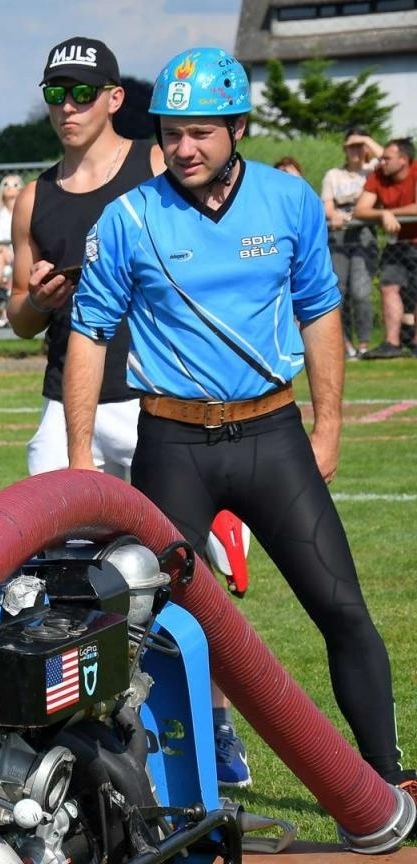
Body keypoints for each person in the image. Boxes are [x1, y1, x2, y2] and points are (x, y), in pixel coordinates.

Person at [64, 46, 416, 798]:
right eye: (170, 131)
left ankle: (385, 778)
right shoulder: (129, 217)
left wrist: (328, 429)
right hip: (172, 447)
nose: (182, 147)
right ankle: (171, 796)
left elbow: (320, 311)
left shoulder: (287, 202)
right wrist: (79, 455)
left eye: (200, 132)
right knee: (163, 632)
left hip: (271, 437)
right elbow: (89, 333)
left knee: (342, 608)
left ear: (238, 128)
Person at [7, 37, 161, 482]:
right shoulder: (34, 197)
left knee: (177, 546)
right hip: (67, 401)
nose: (67, 107)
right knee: (57, 547)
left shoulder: (156, 167)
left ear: (114, 98)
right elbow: (20, 319)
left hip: (154, 396)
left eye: (82, 93)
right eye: (55, 94)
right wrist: (38, 301)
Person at [355, 138, 417, 359]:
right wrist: (383, 213)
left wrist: (393, 212)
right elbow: (360, 210)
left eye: (387, 158)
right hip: (396, 244)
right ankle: (392, 343)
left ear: (404, 160)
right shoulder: (378, 176)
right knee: (388, 287)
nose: (381, 162)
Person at [323, 130, 382, 360]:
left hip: (363, 234)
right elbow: (328, 207)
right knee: (339, 292)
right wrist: (335, 215)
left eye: (360, 146)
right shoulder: (334, 175)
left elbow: (386, 157)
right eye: (351, 146)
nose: (355, 150)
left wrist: (366, 140)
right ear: (344, 149)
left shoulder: (373, 172)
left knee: (361, 291)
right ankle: (344, 343)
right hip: (338, 236)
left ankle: (365, 344)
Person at [0, 174, 24, 295]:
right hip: (4, 253)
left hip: (21, 252)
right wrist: (5, 250)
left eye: (15, 185)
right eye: (5, 184)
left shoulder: (27, 213)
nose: (9, 187)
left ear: (21, 190)